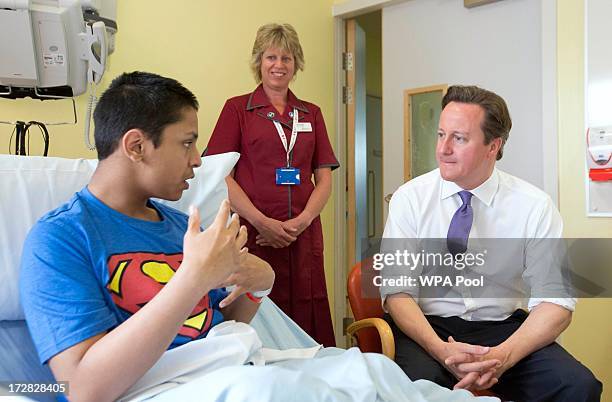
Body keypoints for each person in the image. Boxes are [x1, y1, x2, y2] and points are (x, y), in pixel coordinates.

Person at [19, 71, 275, 401]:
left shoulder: (184, 229)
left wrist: (260, 284)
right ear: (137, 146)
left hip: (228, 374)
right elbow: (83, 388)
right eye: (187, 142)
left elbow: (214, 327)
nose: (197, 159)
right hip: (155, 390)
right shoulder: (59, 239)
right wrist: (193, 278)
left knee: (357, 374)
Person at [381, 85, 602, 401]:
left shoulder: (533, 205)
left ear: (492, 146)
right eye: (441, 134)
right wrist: (441, 350)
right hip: (426, 329)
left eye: (459, 138)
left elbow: (556, 302)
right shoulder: (410, 199)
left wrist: (504, 356)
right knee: (420, 388)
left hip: (502, 330)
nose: (443, 149)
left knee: (577, 386)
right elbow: (396, 292)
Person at [204, 23, 338, 347]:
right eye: (271, 57)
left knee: (308, 309)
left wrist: (302, 221)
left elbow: (324, 177)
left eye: (287, 58)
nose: (279, 65)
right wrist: (263, 222)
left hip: (302, 234)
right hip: (255, 233)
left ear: (297, 64)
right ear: (258, 62)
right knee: (259, 308)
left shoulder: (312, 114)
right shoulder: (237, 109)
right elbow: (222, 175)